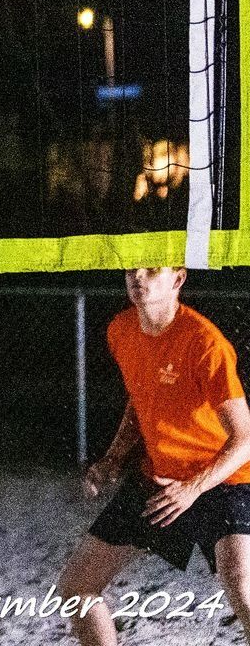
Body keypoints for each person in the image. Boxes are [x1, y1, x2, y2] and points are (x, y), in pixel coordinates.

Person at [58, 265, 250, 645]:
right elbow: (141, 398)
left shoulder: (205, 344)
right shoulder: (121, 330)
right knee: (77, 589)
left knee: (241, 585)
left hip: (225, 477)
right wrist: (113, 457)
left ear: (178, 280)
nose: (138, 277)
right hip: (161, 478)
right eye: (132, 268)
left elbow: (244, 439)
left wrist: (192, 488)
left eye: (152, 269)